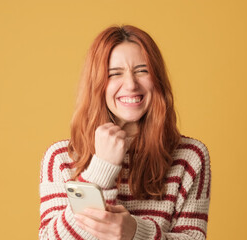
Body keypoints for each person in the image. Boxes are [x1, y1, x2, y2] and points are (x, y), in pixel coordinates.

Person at [39, 25, 211, 240]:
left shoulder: (189, 156)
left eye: (142, 70)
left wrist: (136, 233)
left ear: (157, 79)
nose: (131, 84)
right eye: (114, 74)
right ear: (97, 84)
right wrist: (102, 168)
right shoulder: (61, 158)